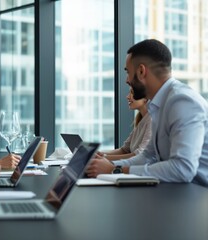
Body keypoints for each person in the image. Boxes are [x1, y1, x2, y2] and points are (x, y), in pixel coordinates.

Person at [86, 39, 208, 186]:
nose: (127, 80)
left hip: (196, 198)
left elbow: (182, 169)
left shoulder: (182, 102)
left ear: (141, 71)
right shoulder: (159, 104)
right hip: (175, 193)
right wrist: (105, 166)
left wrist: (115, 170)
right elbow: (147, 156)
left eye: (128, 72)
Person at [96, 88, 151, 161]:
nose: (128, 97)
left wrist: (103, 158)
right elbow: (124, 150)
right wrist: (100, 154)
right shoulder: (141, 120)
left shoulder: (152, 120)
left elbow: (139, 155)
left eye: (132, 93)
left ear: (145, 99)